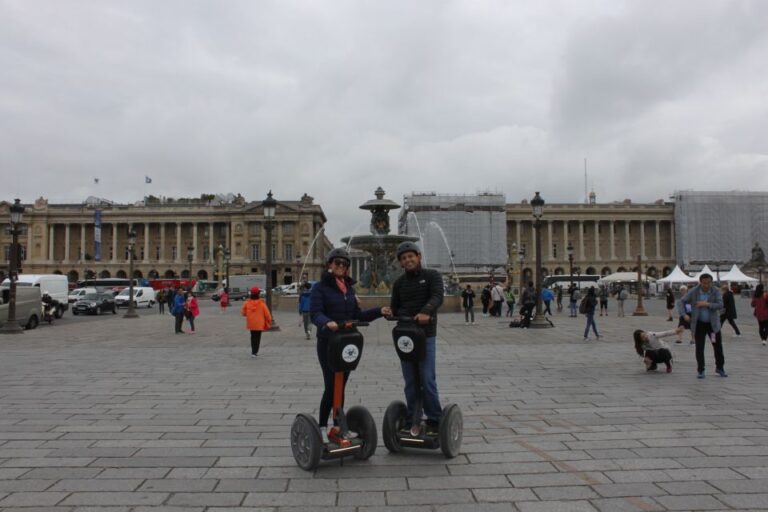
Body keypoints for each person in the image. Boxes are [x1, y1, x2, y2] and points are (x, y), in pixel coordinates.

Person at [311, 247, 390, 443]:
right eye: (337, 263)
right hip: (328, 342)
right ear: (330, 264)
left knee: (341, 386)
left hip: (346, 344)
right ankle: (322, 426)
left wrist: (380, 311)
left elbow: (358, 315)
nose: (340, 266)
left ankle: (339, 426)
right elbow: (315, 313)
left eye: (344, 264)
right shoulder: (320, 288)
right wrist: (325, 322)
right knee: (331, 386)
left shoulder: (349, 289)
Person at [390, 241, 443, 436]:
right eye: (404, 258)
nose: (408, 260)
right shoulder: (399, 283)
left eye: (411, 256)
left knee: (427, 378)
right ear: (401, 263)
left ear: (419, 257)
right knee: (410, 380)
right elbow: (394, 306)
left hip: (425, 334)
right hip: (405, 336)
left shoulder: (432, 276)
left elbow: (437, 297)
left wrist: (426, 312)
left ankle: (435, 419)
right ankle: (413, 417)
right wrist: (390, 311)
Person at [679, 273, 727, 379]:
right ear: (700, 282)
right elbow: (681, 301)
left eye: (709, 283)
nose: (706, 285)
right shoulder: (694, 291)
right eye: (704, 283)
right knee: (700, 347)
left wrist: (707, 304)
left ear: (711, 282)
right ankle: (701, 370)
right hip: (699, 325)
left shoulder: (715, 291)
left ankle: (720, 368)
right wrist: (684, 314)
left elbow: (720, 304)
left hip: (712, 326)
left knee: (717, 346)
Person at [241, 287, 272, 357]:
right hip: (259, 324)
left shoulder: (247, 303)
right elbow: (267, 314)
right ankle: (255, 352)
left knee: (252, 337)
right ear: (258, 294)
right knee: (257, 337)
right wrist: (269, 320)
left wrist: (249, 314)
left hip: (251, 323)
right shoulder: (262, 303)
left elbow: (243, 313)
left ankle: (253, 351)